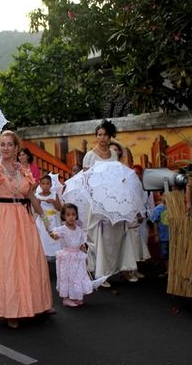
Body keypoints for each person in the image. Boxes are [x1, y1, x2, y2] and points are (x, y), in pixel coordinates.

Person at [0, 130, 54, 329]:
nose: (6, 148)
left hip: (23, 217)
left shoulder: (23, 170)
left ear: (17, 147)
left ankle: (38, 303)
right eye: (2, 144)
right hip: (3, 219)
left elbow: (31, 197)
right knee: (9, 263)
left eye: (10, 144)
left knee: (30, 261)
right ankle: (11, 310)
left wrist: (46, 221)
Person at [83, 120, 137, 287]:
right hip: (96, 202)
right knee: (98, 237)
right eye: (99, 134)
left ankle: (119, 268)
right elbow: (86, 181)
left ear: (110, 136)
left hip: (112, 202)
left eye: (105, 134)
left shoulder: (114, 155)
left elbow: (119, 175)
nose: (102, 138)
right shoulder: (90, 156)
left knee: (114, 237)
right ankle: (100, 273)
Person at [50, 204, 108, 307]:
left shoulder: (79, 229)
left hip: (78, 256)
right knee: (68, 277)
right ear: (63, 216)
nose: (71, 217)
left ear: (76, 215)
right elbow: (55, 236)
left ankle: (77, 296)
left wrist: (83, 248)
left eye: (73, 214)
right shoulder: (62, 229)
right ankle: (66, 298)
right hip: (67, 256)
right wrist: (52, 233)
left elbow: (81, 242)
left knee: (79, 276)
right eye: (68, 215)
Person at [35, 174, 63, 258]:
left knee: (55, 238)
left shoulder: (54, 195)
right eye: (43, 184)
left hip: (53, 219)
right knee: (44, 238)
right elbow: (36, 210)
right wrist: (38, 203)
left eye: (47, 184)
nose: (45, 186)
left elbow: (59, 208)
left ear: (51, 185)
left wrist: (54, 202)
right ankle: (44, 255)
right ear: (40, 185)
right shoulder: (37, 196)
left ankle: (55, 255)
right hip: (43, 220)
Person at [151, 194, 170, 277]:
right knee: (164, 254)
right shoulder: (157, 209)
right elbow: (155, 222)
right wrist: (156, 235)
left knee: (172, 253)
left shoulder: (174, 206)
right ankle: (168, 270)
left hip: (173, 236)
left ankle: (171, 270)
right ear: (162, 196)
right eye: (164, 196)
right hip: (163, 236)